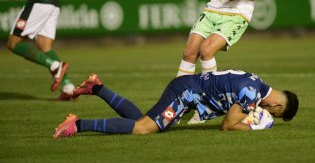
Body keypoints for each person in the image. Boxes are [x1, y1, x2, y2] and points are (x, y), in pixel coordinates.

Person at [53, 70, 299, 138]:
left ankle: (96, 88)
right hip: (185, 93)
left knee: (139, 121)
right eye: (273, 115)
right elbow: (228, 125)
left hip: (187, 88)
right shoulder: (252, 93)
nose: (266, 114)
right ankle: (78, 124)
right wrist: (255, 128)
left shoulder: (255, 83)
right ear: (277, 107)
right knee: (143, 129)